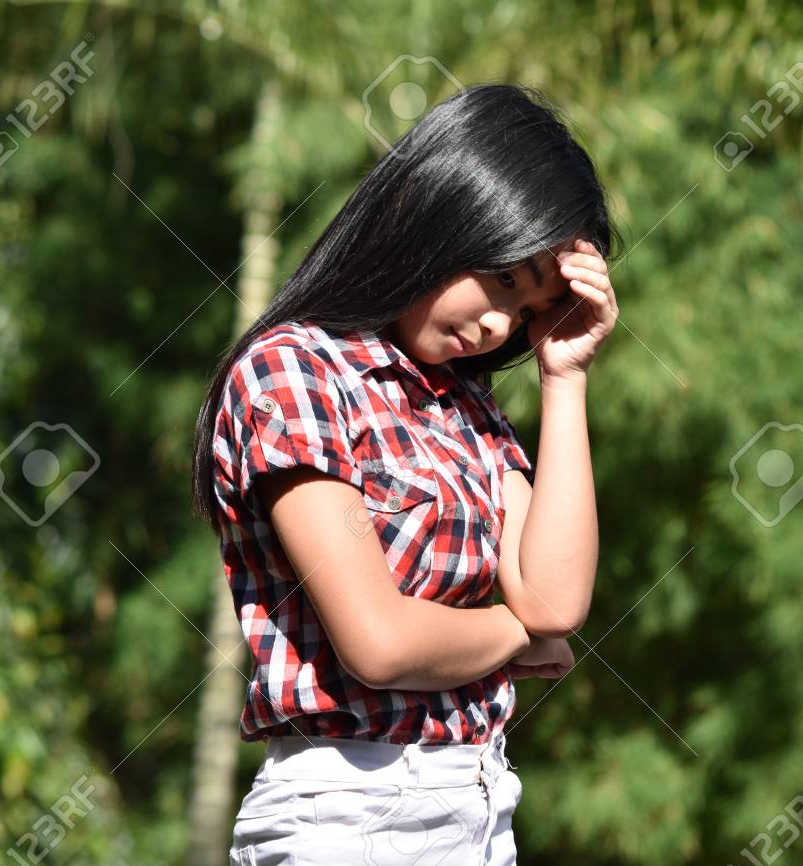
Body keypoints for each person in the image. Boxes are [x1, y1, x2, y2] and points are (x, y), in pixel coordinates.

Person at [188, 83, 619, 865]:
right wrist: (513, 635)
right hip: (346, 816)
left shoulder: (468, 409)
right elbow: (379, 642)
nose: (501, 324)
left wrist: (565, 378)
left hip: (482, 809)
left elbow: (556, 600)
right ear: (436, 214)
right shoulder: (295, 372)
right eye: (505, 278)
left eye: (530, 311)